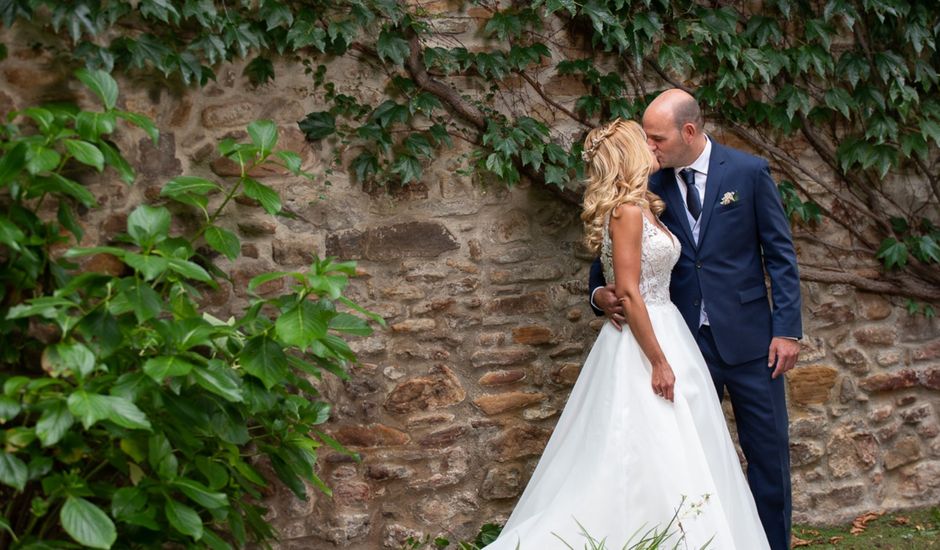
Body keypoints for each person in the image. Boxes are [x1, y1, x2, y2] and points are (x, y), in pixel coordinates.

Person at [482, 119, 770, 550]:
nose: (654, 146)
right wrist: (657, 360)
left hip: (667, 328)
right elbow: (631, 293)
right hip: (646, 339)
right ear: (630, 154)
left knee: (678, 447)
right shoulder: (628, 212)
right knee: (641, 443)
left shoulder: (644, 206)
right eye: (646, 141)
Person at [590, 89, 802, 550]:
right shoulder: (648, 183)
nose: (650, 147)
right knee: (693, 457)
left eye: (657, 138)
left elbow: (781, 257)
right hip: (679, 344)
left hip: (752, 343)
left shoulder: (747, 173)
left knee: (768, 456)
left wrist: (786, 329)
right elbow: (608, 268)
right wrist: (598, 296)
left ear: (689, 131)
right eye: (645, 139)